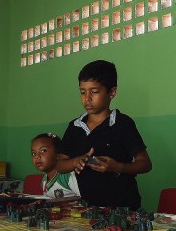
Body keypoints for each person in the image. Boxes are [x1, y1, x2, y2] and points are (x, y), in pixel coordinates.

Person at [56, 60, 152, 209]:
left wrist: (118, 167)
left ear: (112, 92)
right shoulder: (74, 127)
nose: (87, 98)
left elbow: (145, 164)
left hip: (124, 208)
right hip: (89, 208)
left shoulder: (123, 124)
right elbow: (60, 165)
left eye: (94, 92)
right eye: (82, 92)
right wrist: (76, 161)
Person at [31, 133, 80, 199]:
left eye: (43, 150)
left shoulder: (68, 176)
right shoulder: (44, 181)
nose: (37, 156)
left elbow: (87, 199)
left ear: (58, 154)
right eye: (34, 153)